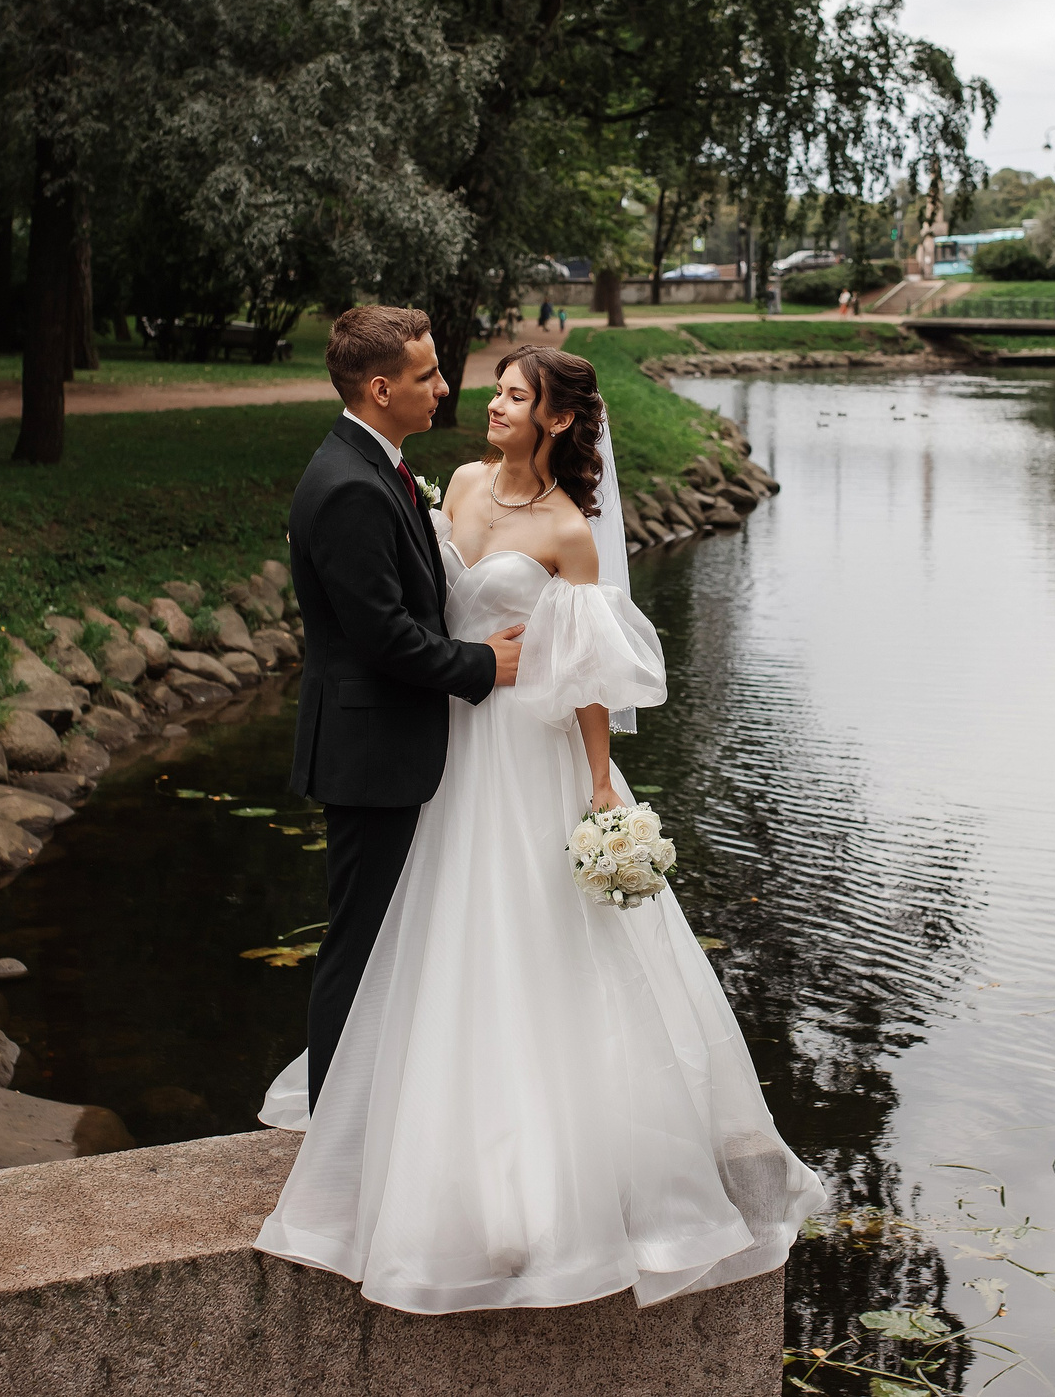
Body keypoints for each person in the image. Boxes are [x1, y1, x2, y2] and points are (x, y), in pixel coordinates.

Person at [256, 344, 826, 1314]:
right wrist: (462, 660)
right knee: (435, 934)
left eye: (515, 395)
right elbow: (410, 606)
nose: (490, 403)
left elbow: (590, 676)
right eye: (495, 389)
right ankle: (411, 1126)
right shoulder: (461, 484)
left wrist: (600, 782)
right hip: (449, 739)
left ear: (556, 419)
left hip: (528, 746)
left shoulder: (570, 532)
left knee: (532, 937)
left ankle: (541, 1172)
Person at [284, 306, 527, 1111]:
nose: (445, 387)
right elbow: (382, 636)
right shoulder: (350, 485)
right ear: (382, 387)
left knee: (383, 938)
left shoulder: (375, 463)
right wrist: (482, 665)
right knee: (359, 944)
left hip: (381, 744)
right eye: (427, 375)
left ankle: (373, 1112)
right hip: (368, 752)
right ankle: (335, 1129)